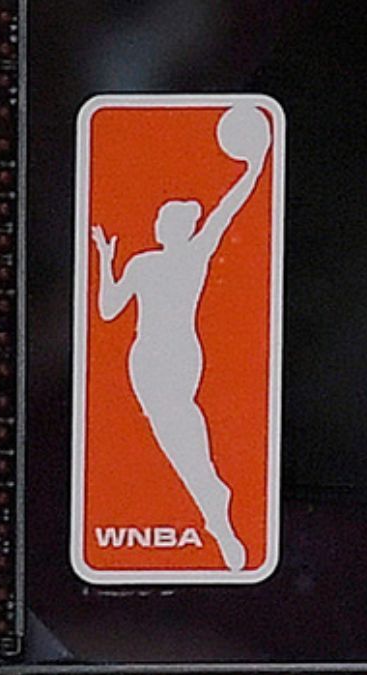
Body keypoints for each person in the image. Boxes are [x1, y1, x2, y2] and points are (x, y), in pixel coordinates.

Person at [91, 110, 269, 572]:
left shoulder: (192, 256)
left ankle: (214, 503)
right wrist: (105, 260)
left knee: (179, 427)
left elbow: (227, 211)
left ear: (178, 229)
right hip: (147, 358)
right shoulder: (147, 263)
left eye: (168, 220)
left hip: (174, 356)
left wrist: (255, 167)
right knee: (175, 430)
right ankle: (213, 500)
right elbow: (108, 310)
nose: (161, 225)